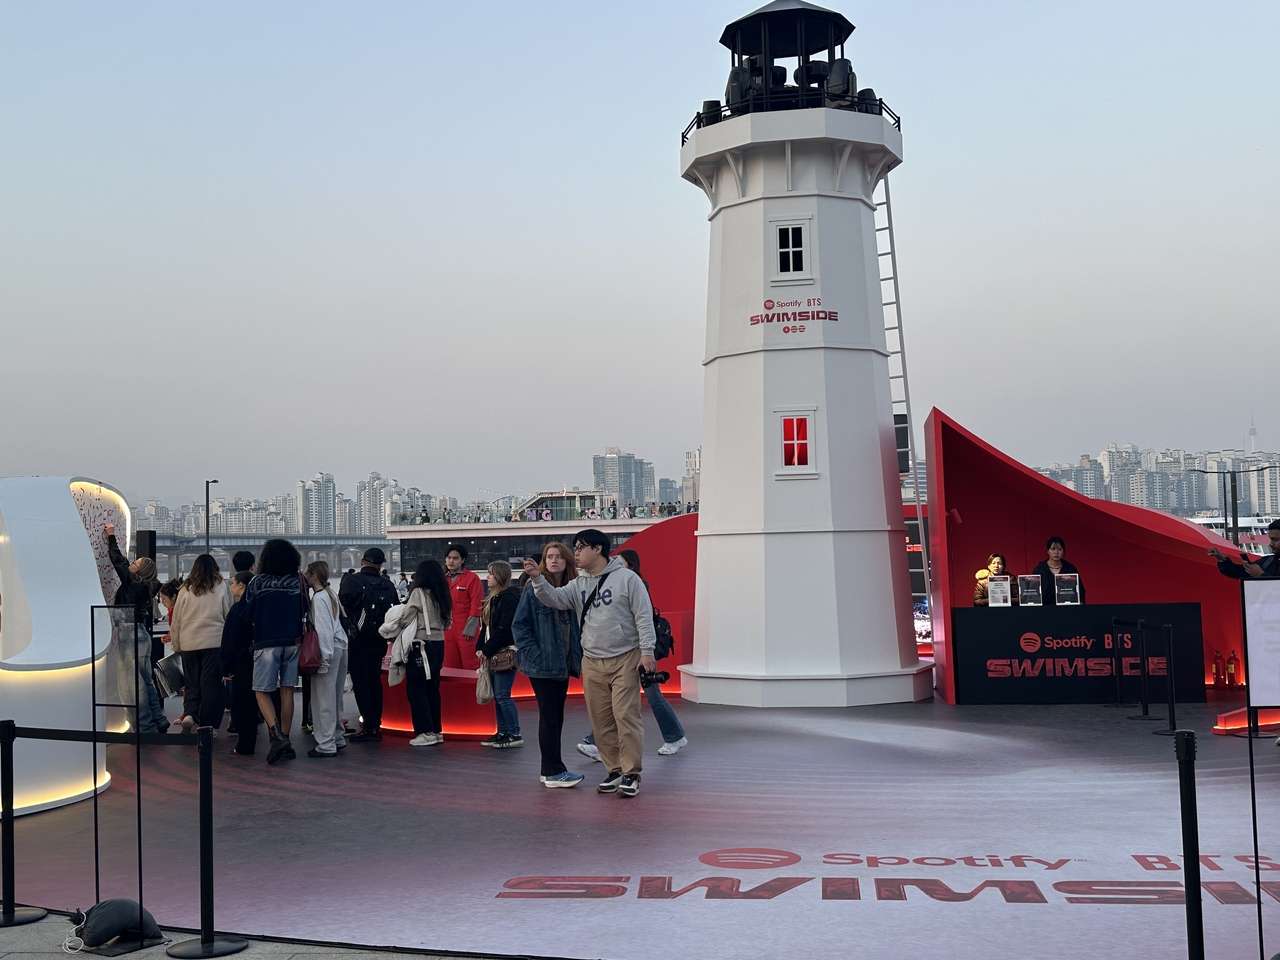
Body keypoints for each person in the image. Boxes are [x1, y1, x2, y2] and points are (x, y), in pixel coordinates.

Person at [522, 528, 656, 798]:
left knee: (625, 716)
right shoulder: (579, 583)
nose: (576, 553)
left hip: (625, 657)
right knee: (600, 719)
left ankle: (631, 773)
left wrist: (647, 651)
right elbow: (555, 599)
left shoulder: (627, 579)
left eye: (581, 547)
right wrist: (537, 579)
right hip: (592, 660)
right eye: (575, 547)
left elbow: (643, 615)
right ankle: (614, 770)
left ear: (598, 549)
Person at [576, 549, 687, 760]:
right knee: (617, 699)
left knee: (649, 696)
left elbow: (642, 619)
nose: (614, 565)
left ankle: (674, 737)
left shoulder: (635, 585)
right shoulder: (610, 584)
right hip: (625, 652)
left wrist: (645, 650)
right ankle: (598, 743)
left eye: (620, 562)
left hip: (635, 652)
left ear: (631, 566)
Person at [513, 541, 585, 787]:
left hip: (563, 664)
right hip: (542, 665)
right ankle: (554, 771)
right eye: (550, 556)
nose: (554, 560)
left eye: (559, 556)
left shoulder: (573, 589)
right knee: (550, 716)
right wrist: (535, 653)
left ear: (568, 561)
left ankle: (549, 770)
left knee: (556, 716)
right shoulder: (533, 589)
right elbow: (519, 626)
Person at [239, 538, 308, 764]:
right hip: (293, 641)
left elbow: (246, 614)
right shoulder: (299, 580)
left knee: (261, 690)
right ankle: (285, 739)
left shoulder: (257, 582)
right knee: (287, 691)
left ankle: (277, 737)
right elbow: (306, 608)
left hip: (266, 641)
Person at [383, 560, 452, 746]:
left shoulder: (418, 592)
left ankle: (424, 732)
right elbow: (448, 623)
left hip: (420, 644)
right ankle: (436, 730)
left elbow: (406, 619)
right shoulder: (442, 593)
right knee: (432, 688)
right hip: (439, 643)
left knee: (416, 688)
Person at [103, 524, 165, 733]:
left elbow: (118, 561)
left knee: (131, 686)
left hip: (129, 634)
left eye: (135, 563)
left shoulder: (133, 583)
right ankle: (158, 719)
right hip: (141, 634)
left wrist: (111, 536)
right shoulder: (147, 586)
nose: (131, 563)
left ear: (140, 571)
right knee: (145, 681)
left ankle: (144, 728)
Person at [338, 547, 400, 742]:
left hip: (358, 639)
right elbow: (396, 609)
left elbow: (342, 608)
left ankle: (369, 726)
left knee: (361, 682)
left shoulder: (351, 580)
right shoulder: (388, 583)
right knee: (374, 680)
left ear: (362, 561)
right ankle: (377, 724)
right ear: (381, 564)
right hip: (380, 638)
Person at [170, 554, 232, 733]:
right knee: (210, 685)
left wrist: (176, 645)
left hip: (189, 642)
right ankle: (207, 726)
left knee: (191, 682)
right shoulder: (221, 585)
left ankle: (190, 714)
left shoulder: (185, 588)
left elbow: (177, 620)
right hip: (214, 642)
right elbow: (227, 614)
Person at [302, 561, 348, 758]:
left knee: (323, 699)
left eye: (306, 573)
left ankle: (326, 743)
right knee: (336, 697)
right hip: (341, 646)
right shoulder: (331, 594)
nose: (304, 576)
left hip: (329, 650)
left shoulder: (319, 598)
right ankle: (337, 736)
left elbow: (323, 630)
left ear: (314, 576)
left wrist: (324, 660)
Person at [477, 561, 522, 748]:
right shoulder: (493, 599)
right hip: (493, 652)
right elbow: (485, 628)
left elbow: (505, 629)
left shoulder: (509, 598)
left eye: (491, 574)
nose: (488, 577)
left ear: (500, 576)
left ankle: (514, 733)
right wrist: (481, 647)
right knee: (498, 695)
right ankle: (503, 731)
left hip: (504, 652)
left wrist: (486, 649)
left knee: (503, 695)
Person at [220, 571, 257, 756]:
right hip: (258, 658)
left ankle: (244, 744)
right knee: (255, 701)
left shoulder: (237, 609)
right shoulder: (258, 606)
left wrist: (225, 665)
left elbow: (229, 639)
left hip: (240, 661)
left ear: (241, 585)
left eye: (233, 583)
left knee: (240, 703)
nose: (231, 586)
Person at [442, 545, 484, 670]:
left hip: (466, 628)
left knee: (470, 663)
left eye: (455, 558)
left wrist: (470, 629)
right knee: (449, 665)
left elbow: (477, 605)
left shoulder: (472, 578)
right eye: (449, 557)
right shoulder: (442, 579)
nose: (451, 561)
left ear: (463, 560)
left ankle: (475, 684)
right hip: (446, 628)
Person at [1210, 519, 1280, 578]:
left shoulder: (1268, 562)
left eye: (1275, 540)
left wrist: (1260, 575)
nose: (1271, 544)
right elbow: (1237, 572)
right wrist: (1221, 559)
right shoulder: (1268, 561)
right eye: (1271, 539)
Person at [1031, 537, 1085, 606]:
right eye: (1053, 549)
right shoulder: (1039, 570)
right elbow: (1033, 594)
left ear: (1063, 551)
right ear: (1047, 551)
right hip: (1045, 609)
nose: (1056, 552)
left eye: (1060, 549)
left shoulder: (1070, 569)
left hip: (1067, 609)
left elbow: (1080, 591)